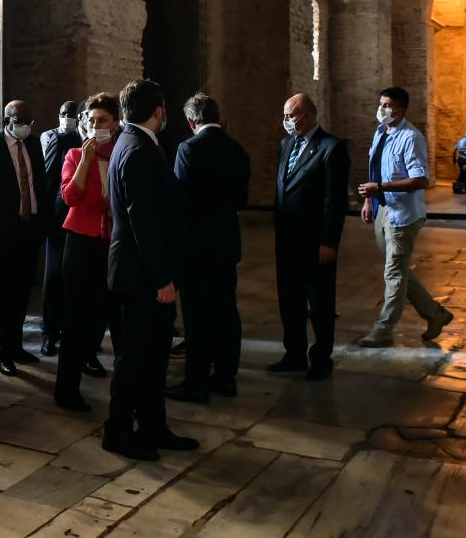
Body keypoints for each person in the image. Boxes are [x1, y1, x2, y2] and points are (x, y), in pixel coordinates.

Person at [103, 80, 198, 460]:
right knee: (135, 359)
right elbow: (143, 221)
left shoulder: (132, 141)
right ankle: (118, 431)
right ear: (159, 110)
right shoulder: (139, 148)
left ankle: (154, 426)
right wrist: (162, 278)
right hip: (140, 276)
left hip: (139, 271)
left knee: (154, 356)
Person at [166, 93, 250, 402]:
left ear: (190, 121)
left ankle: (196, 382)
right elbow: (242, 199)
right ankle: (226, 378)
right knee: (226, 311)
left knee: (197, 316)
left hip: (196, 247)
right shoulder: (237, 150)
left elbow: (181, 200)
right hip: (227, 244)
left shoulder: (189, 149)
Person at [358, 87, 454, 347]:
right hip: (382, 209)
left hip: (402, 215)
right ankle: (437, 314)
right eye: (381, 103)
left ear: (400, 109)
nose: (382, 109)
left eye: (387, 105)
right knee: (398, 270)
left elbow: (421, 179)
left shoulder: (411, 138)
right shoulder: (380, 133)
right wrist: (369, 199)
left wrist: (381, 189)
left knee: (394, 274)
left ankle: (384, 329)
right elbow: (375, 171)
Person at [268, 93, 349, 381]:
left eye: (290, 115)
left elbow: (334, 201)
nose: (286, 121)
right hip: (287, 240)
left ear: (307, 115)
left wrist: (329, 241)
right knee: (289, 300)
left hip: (315, 242)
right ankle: (294, 354)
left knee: (320, 303)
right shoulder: (286, 144)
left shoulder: (331, 148)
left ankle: (321, 359)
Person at [53, 93, 121, 412]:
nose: (96, 126)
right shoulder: (74, 153)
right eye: (91, 121)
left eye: (103, 121)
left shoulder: (123, 152)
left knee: (107, 314)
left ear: (116, 123)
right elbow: (70, 196)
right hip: (81, 241)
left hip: (115, 242)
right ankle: (66, 391)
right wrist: (86, 160)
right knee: (75, 318)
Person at [0, 100, 48, 376]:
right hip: (1, 234)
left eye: (29, 123)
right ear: (8, 120)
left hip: (28, 230)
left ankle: (16, 346)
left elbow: (38, 183)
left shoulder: (33, 144)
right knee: (5, 297)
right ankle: (4, 352)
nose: (25, 127)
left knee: (22, 293)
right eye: (20, 122)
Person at [39, 100, 82, 356]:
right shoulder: (62, 139)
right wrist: (47, 219)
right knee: (54, 278)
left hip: (87, 222)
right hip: (60, 218)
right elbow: (50, 179)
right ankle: (50, 333)